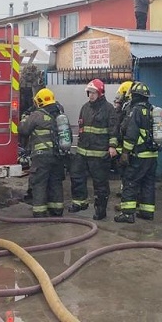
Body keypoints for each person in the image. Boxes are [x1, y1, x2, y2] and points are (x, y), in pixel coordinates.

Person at [67, 79, 118, 220]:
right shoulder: (85, 108)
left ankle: (100, 210)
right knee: (76, 177)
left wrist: (112, 146)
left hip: (99, 153)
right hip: (82, 152)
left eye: (93, 92)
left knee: (100, 183)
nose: (91, 95)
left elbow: (114, 130)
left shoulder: (109, 109)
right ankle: (79, 203)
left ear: (100, 93)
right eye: (89, 92)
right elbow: (82, 128)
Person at [115, 81, 160, 224]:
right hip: (152, 155)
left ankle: (127, 214)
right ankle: (147, 212)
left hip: (139, 155)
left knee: (130, 182)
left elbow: (131, 134)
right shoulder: (152, 109)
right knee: (148, 183)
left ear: (134, 96)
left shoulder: (136, 110)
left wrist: (125, 153)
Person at [18, 88, 66, 218]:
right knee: (55, 182)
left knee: (39, 182)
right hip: (58, 155)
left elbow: (23, 130)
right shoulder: (59, 113)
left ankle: (39, 212)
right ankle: (56, 210)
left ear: (39, 101)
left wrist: (23, 118)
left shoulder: (37, 115)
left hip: (41, 156)